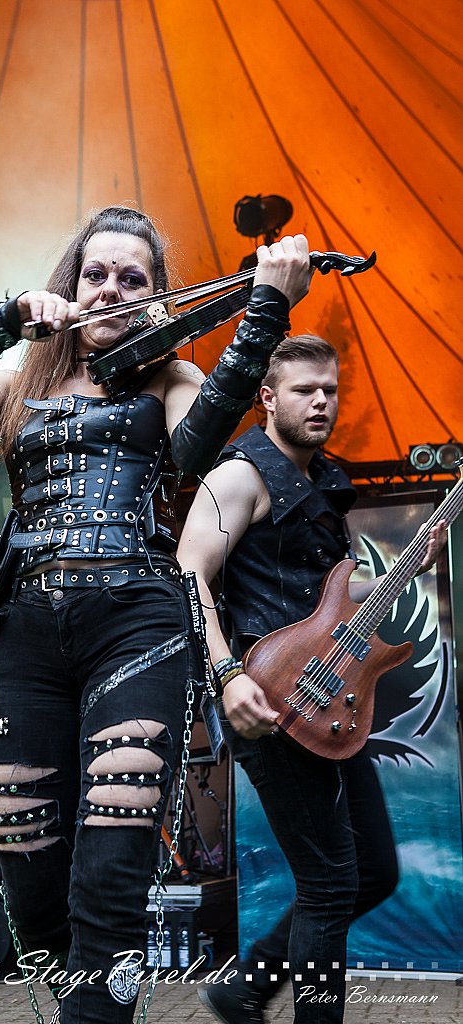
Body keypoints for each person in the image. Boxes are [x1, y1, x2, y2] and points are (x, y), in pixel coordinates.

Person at [0, 206, 313, 1024]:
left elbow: (194, 451)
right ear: (70, 284)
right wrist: (6, 319)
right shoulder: (21, 384)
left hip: (137, 623)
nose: (111, 288)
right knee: (24, 863)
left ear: (155, 295)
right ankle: (84, 1004)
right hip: (28, 629)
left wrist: (265, 307)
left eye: (132, 277)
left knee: (113, 852)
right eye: (95, 273)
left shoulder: (170, 378)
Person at [176, 334, 448, 1024]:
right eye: (304, 390)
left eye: (329, 389)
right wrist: (227, 674)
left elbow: (319, 603)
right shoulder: (238, 476)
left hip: (324, 698)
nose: (321, 401)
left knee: (372, 871)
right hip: (266, 698)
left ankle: (242, 991)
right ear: (268, 398)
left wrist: (404, 570)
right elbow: (188, 574)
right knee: (329, 882)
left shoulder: (323, 482)